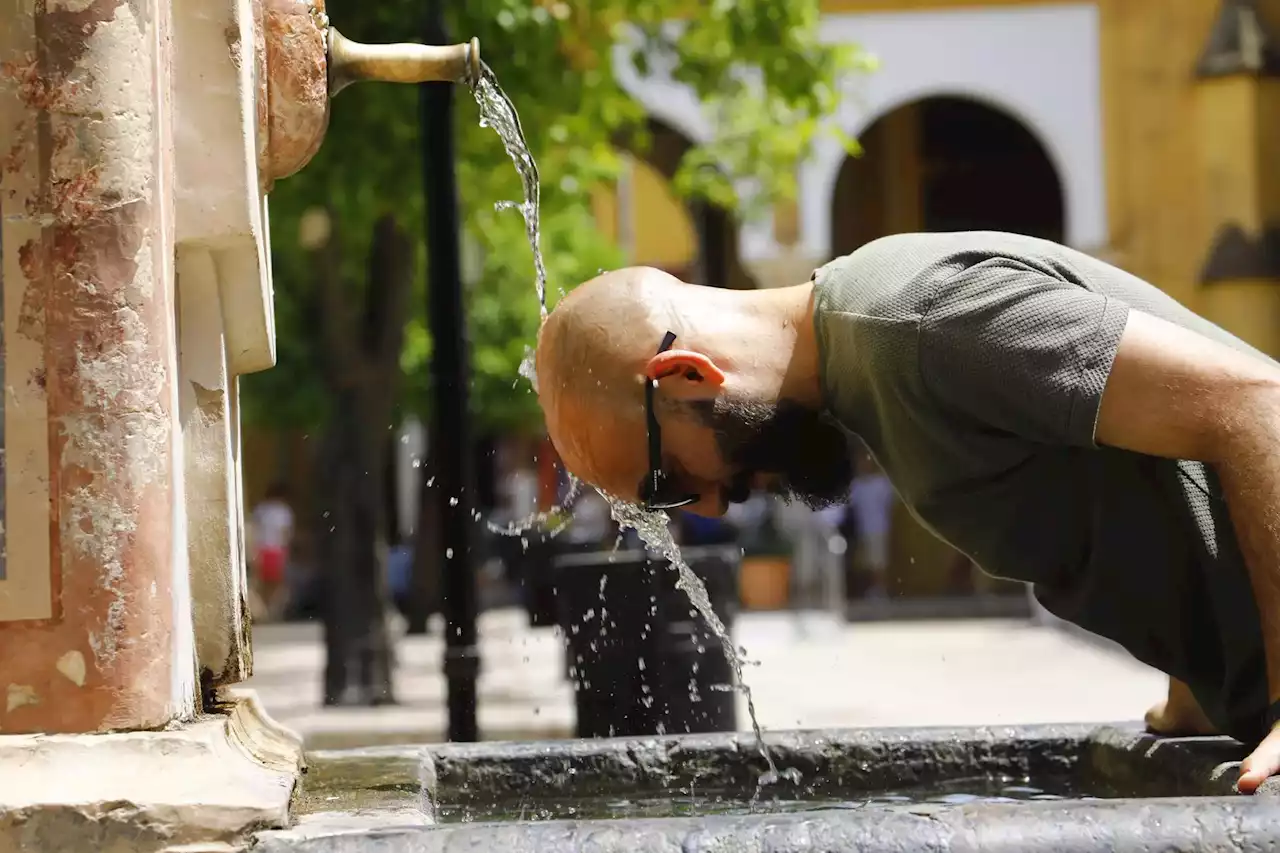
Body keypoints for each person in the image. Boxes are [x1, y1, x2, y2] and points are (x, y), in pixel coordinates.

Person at [533, 230, 1280, 794]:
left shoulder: (918, 326)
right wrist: (1198, 692)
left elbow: (1252, 404)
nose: (705, 507)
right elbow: (1146, 478)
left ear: (688, 374)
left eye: (666, 482)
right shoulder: (874, 368)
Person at [250, 481, 295, 619]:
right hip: (277, 549)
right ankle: (270, 609)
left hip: (261, 549)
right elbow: (285, 532)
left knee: (262, 582)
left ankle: (263, 608)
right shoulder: (284, 511)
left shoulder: (260, 509)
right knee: (276, 582)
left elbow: (253, 529)